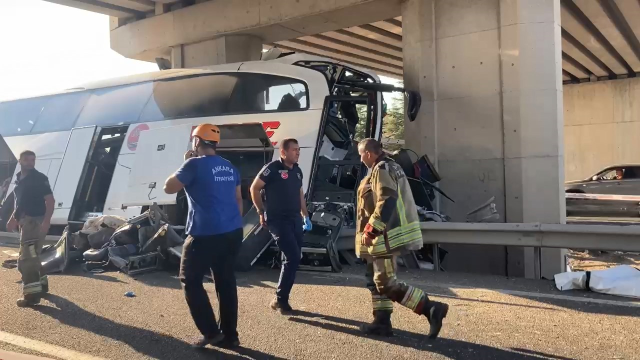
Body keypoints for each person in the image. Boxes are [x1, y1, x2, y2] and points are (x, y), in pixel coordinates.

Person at [355, 138, 449, 339]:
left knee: (385, 282)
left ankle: (430, 308)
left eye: (361, 154)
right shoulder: (391, 167)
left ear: (368, 154)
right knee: (375, 280)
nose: (360, 158)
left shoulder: (381, 169)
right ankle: (381, 322)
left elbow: (387, 199)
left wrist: (371, 230)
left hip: (385, 236)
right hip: (386, 235)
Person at [164, 124, 244, 349]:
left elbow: (168, 188)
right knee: (226, 282)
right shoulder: (229, 167)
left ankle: (211, 332)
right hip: (232, 231)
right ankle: (230, 335)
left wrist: (184, 162)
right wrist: (231, 223)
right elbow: (238, 199)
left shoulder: (192, 164)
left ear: (197, 142)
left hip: (203, 233)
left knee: (189, 280)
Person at [250, 138, 312, 314]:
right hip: (277, 220)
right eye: (294, 150)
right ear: (283, 152)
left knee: (292, 258)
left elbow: (300, 194)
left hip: (295, 220)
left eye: (298, 149)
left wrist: (305, 215)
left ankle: (280, 299)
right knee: (292, 256)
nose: (297, 152)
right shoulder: (272, 169)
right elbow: (254, 188)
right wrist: (261, 211)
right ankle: (281, 299)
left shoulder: (298, 171)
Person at [6, 151, 55, 307]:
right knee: (32, 257)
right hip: (26, 222)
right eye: (26, 159)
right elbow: (21, 202)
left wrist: (46, 221)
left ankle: (31, 296)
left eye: (32, 160)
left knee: (27, 260)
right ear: (20, 161)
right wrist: (13, 218)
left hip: (36, 222)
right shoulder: (19, 178)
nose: (30, 162)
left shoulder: (40, 178)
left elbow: (50, 201)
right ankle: (42, 285)